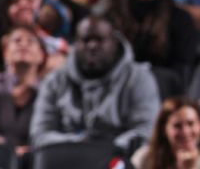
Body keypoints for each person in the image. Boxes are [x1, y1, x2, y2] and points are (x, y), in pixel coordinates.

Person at [29, 14, 160, 151]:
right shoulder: (54, 81)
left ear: (114, 42)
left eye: (99, 40)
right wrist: (81, 142)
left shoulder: (139, 78)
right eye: (86, 40)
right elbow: (39, 136)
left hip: (122, 160)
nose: (92, 46)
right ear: (75, 44)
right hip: (68, 160)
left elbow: (147, 132)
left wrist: (108, 147)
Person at [0, 26, 47, 153]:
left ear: (41, 55)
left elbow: (47, 132)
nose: (23, 45)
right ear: (6, 53)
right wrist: (11, 150)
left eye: (31, 41)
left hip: (37, 160)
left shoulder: (48, 91)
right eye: (17, 40)